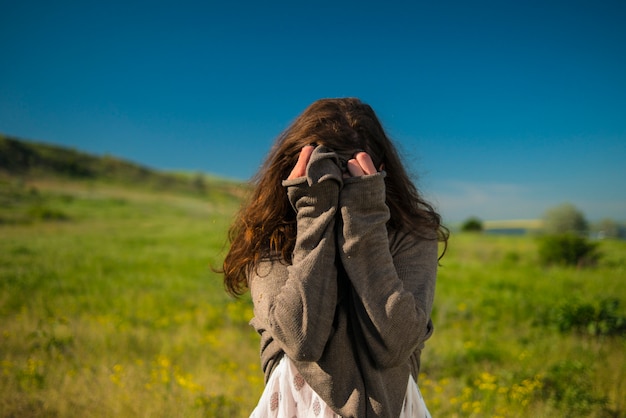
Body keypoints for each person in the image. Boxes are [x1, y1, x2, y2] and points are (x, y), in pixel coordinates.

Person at [221, 98, 448, 417]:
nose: (339, 184)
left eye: (350, 173)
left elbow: (394, 344)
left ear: (379, 172)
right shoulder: (270, 237)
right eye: (324, 169)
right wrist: (314, 211)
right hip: (295, 405)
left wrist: (366, 217)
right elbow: (302, 340)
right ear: (294, 171)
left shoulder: (412, 234)